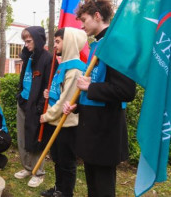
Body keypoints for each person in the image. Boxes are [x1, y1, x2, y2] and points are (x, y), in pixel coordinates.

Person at [62, 1, 136, 196]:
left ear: (97, 16)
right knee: (92, 188)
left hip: (105, 132)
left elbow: (126, 90)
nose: (81, 25)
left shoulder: (115, 43)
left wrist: (91, 87)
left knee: (103, 190)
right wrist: (75, 106)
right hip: (90, 131)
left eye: (84, 20)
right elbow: (95, 85)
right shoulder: (97, 45)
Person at [40, 28, 87, 197]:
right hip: (56, 121)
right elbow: (59, 92)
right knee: (58, 159)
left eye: (58, 41)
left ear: (69, 42)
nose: (55, 45)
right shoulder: (63, 65)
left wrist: (46, 116)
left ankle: (66, 192)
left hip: (66, 123)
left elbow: (66, 99)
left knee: (66, 161)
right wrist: (49, 93)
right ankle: (58, 188)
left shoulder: (75, 69)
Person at [14, 26, 53, 187]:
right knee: (22, 138)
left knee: (36, 138)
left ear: (38, 40)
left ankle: (38, 172)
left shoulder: (48, 58)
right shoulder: (28, 56)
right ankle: (28, 168)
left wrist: (40, 107)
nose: (26, 44)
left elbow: (49, 86)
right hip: (23, 102)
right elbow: (24, 77)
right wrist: (20, 95)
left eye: (29, 41)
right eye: (24, 41)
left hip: (36, 106)